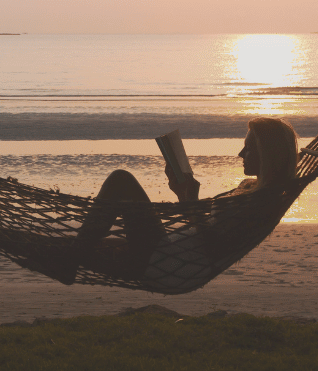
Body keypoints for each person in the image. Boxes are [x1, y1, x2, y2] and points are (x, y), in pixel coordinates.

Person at [63, 117, 300, 290]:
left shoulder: (258, 202)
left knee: (121, 180)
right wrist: (184, 195)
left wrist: (192, 202)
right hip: (172, 252)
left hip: (169, 264)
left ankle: (69, 262)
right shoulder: (252, 189)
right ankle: (69, 257)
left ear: (267, 154)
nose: (240, 153)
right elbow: (208, 231)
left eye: (249, 149)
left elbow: (214, 246)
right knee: (71, 245)